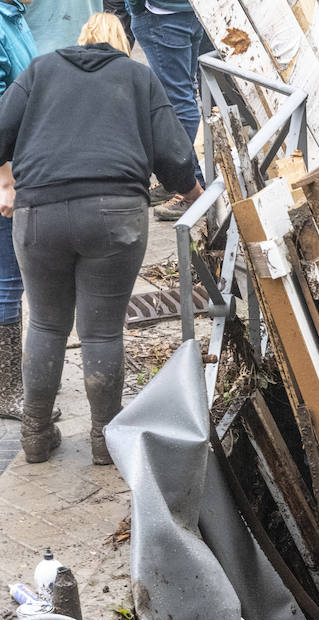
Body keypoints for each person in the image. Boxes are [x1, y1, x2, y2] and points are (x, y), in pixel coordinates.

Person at [0, 11, 201, 464]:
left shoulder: (40, 70)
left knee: (46, 324)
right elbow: (174, 156)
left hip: (39, 216)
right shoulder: (138, 77)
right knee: (102, 331)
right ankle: (103, 439)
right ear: (122, 44)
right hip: (115, 215)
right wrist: (193, 193)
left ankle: (35, 434)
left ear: (81, 39)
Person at [125, 0, 205, 220]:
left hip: (162, 13)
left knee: (179, 102)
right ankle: (180, 181)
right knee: (186, 94)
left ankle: (193, 187)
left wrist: (136, 8)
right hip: (187, 11)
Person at [0, 0, 35, 421]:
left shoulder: (13, 15)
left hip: (19, 161)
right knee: (7, 280)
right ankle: (7, 390)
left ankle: (13, 380)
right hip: (5, 172)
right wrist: (4, 180)